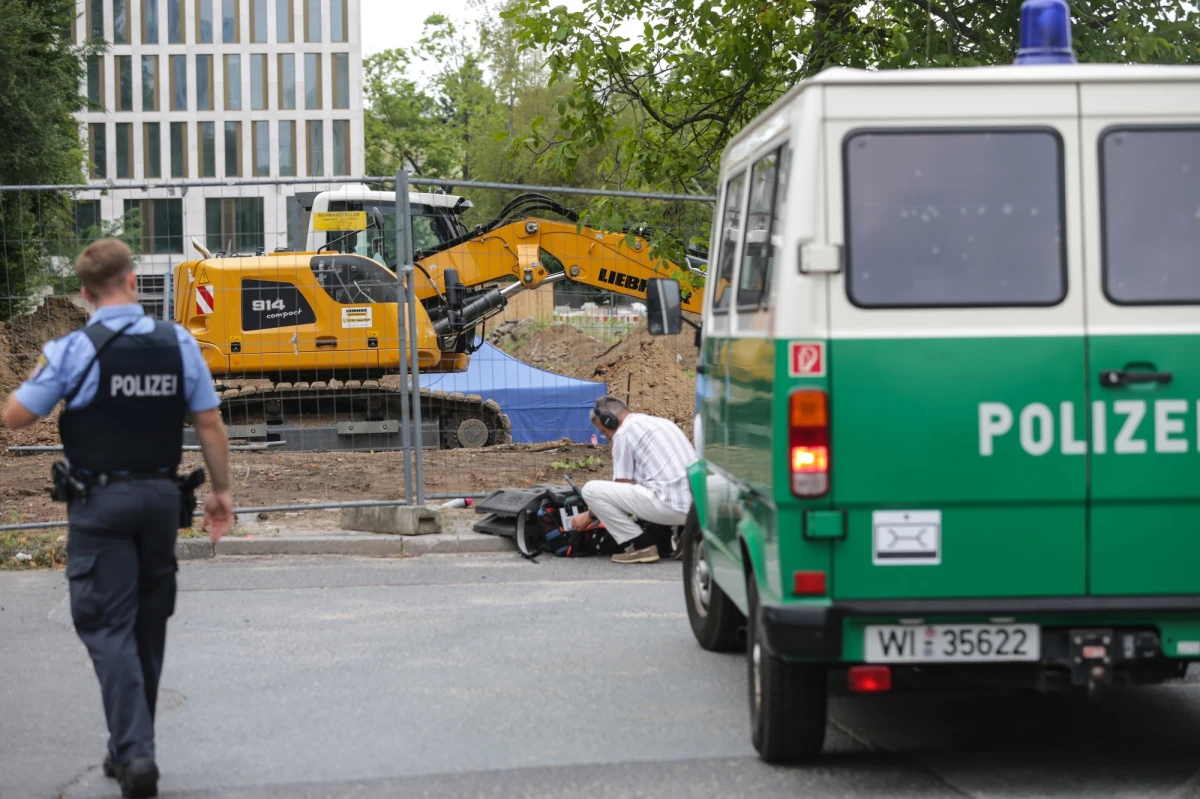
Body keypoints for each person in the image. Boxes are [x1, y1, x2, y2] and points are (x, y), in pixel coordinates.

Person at [2, 239, 233, 799]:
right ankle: (127, 745)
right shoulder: (178, 341)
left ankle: (135, 754)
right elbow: (208, 422)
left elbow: (16, 418)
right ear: (133, 282)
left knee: (106, 625)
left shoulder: (73, 349)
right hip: (160, 501)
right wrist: (221, 492)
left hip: (100, 505)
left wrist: (35, 374)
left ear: (84, 294)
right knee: (147, 625)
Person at [572, 396, 696, 564]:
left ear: (609, 421)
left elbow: (622, 489)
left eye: (604, 432)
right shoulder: (661, 423)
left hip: (671, 507)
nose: (607, 438)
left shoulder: (624, 434)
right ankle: (689, 536)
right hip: (697, 508)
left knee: (591, 490)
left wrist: (589, 515)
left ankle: (639, 545)